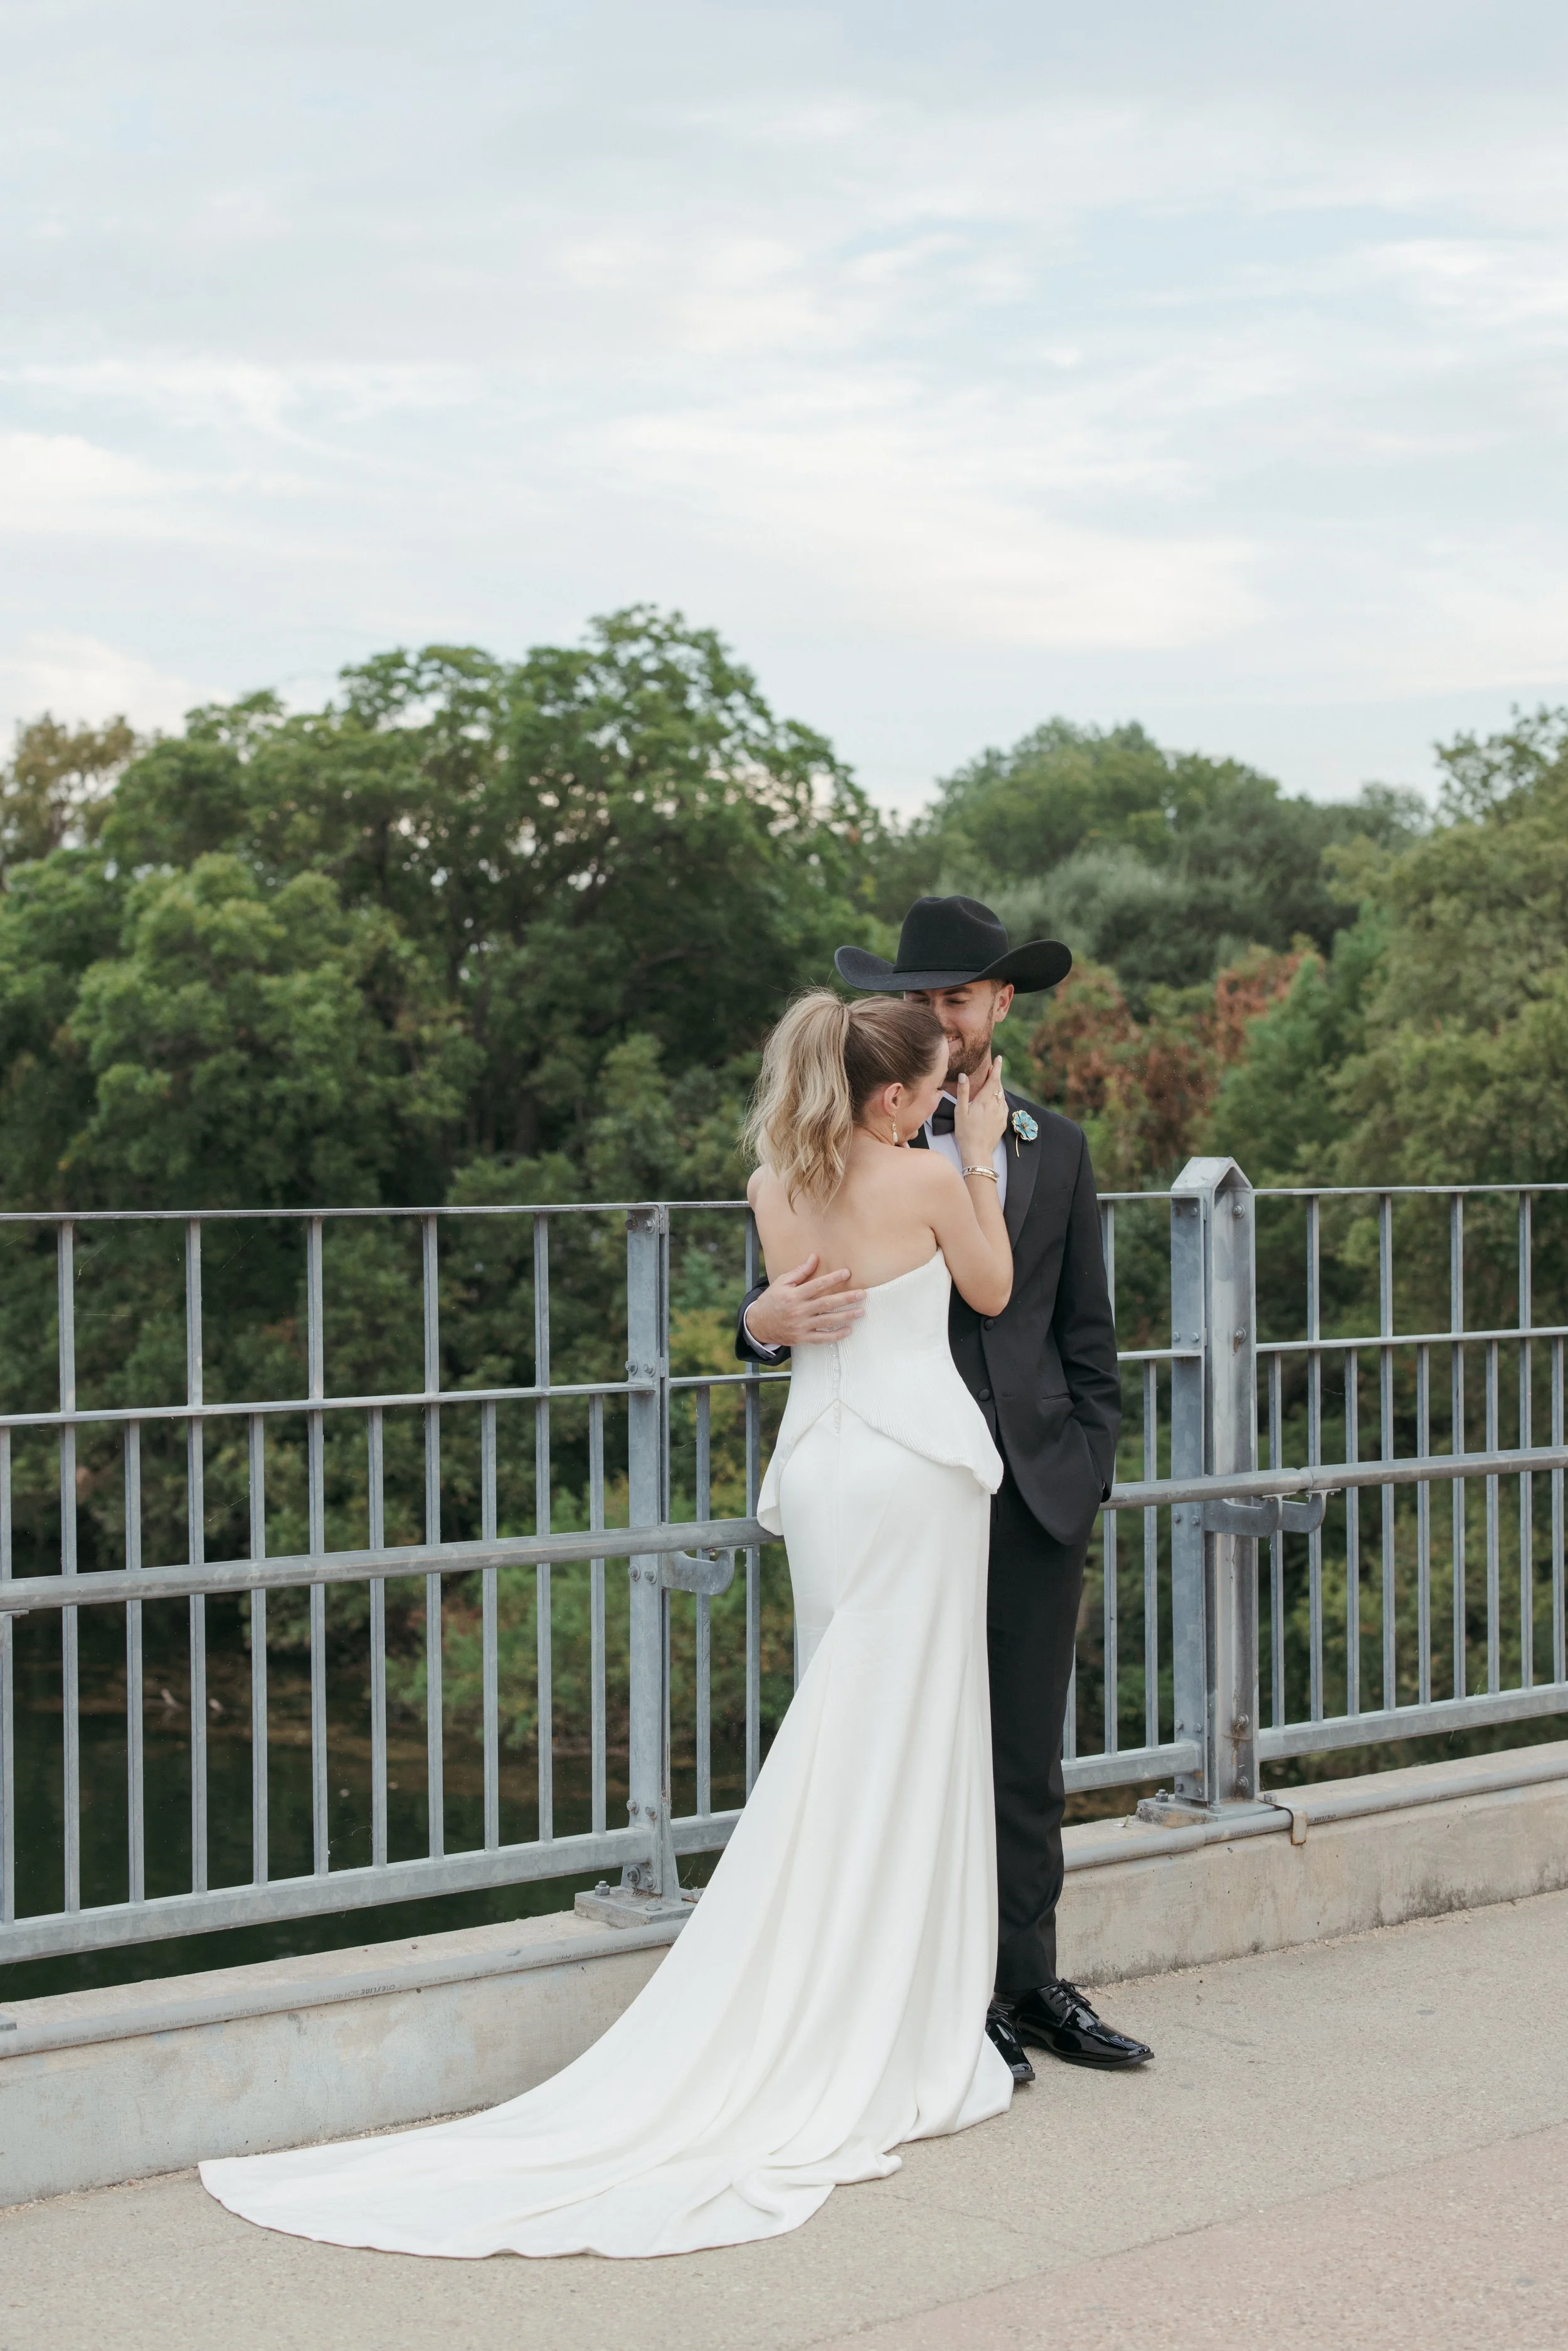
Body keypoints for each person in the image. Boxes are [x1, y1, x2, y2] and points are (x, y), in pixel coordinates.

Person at [201, 990, 1024, 2258]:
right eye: (926, 1087)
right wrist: (977, 1155)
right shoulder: (922, 1178)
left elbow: (791, 1307)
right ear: (895, 1097)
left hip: (821, 1472)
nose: (935, 1098)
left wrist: (762, 1318)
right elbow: (993, 1284)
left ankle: (833, 1987)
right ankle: (885, 2013)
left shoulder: (772, 1181)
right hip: (913, 1474)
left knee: (842, 1725)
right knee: (897, 1732)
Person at [738, 894, 1153, 2082]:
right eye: (917, 1003)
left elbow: (1087, 1333)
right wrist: (759, 1329)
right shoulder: (829, 1142)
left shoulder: (1056, 1148)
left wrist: (1086, 1465)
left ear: (999, 1006)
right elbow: (778, 1300)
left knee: (1020, 1752)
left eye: (954, 1001)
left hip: (1024, 1487)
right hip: (886, 1488)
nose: (937, 1020)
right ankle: (933, 1999)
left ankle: (1027, 1988)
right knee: (898, 1737)